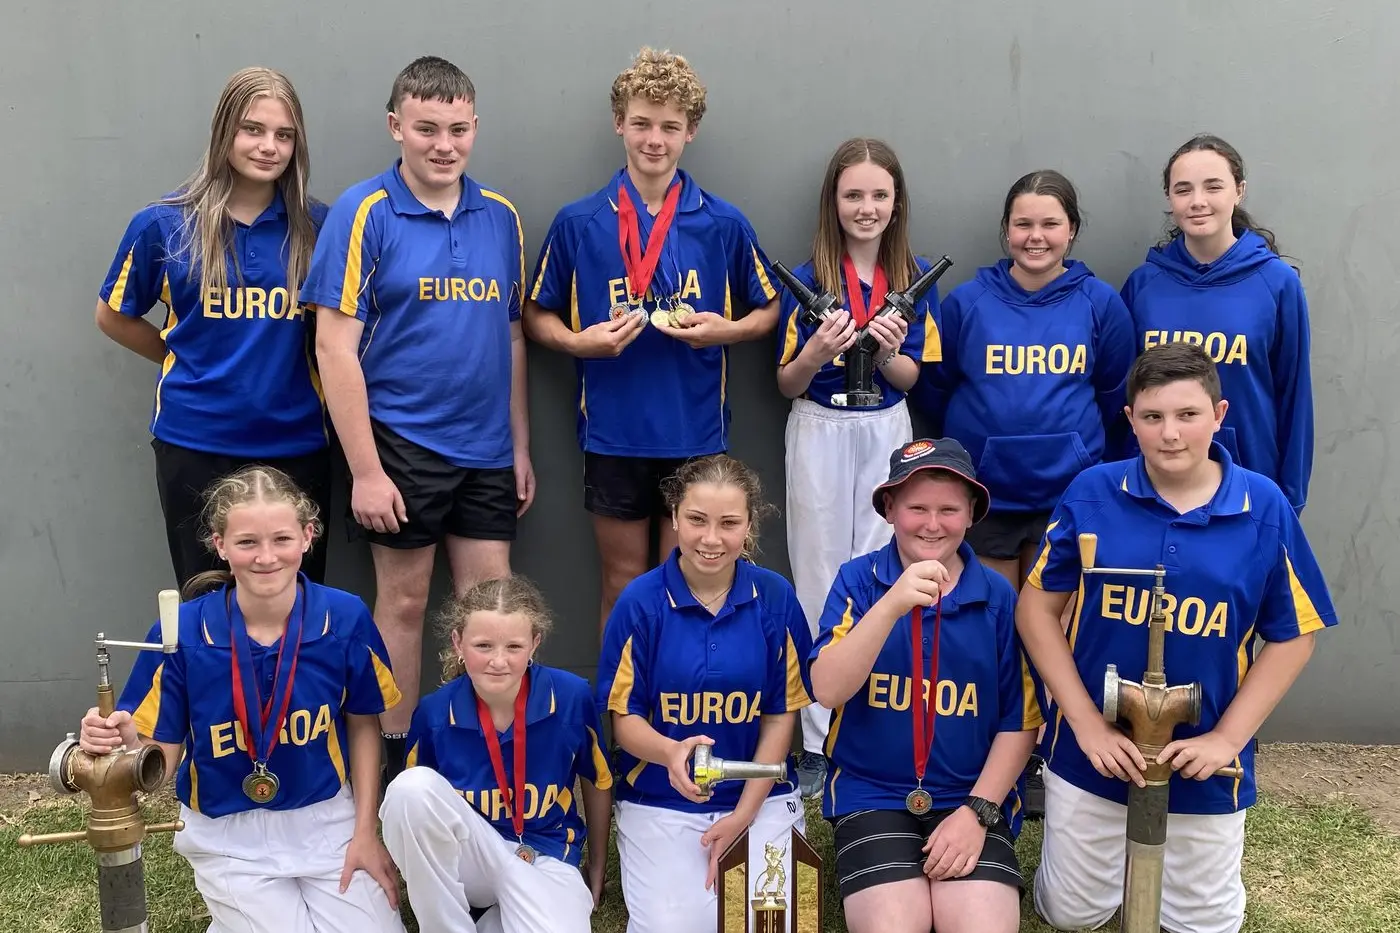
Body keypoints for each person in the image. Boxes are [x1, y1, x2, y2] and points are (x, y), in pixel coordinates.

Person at [1016, 342, 1338, 933]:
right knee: (1071, 915)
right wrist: (1084, 723)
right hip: (1094, 752)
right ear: (1130, 419)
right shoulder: (1092, 492)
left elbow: (1295, 636)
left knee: (1203, 925)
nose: (1169, 433)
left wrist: (1226, 740)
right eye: (1152, 416)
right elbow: (1036, 610)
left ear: (1218, 414)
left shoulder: (1263, 505)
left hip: (1199, 762)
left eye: (1188, 414)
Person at [301, 55, 533, 782]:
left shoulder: (501, 216)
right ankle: (393, 770)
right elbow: (333, 347)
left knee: (489, 611)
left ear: (475, 128)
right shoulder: (364, 211)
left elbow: (513, 336)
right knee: (401, 604)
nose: (443, 144)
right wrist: (366, 471)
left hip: (486, 451)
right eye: (427, 128)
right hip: (400, 444)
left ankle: (479, 757)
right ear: (395, 126)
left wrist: (520, 445)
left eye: (457, 129)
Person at [77, 466, 404, 933]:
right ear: (220, 544)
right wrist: (128, 743)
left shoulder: (345, 617)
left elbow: (363, 724)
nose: (266, 557)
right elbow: (160, 761)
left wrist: (365, 831)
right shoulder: (182, 632)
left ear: (308, 536)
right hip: (228, 832)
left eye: (282, 539)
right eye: (247, 542)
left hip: (326, 817)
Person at [523, 48, 779, 637]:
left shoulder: (722, 223)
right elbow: (535, 313)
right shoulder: (579, 222)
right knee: (622, 583)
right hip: (613, 432)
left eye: (669, 126)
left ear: (691, 131)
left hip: (696, 432)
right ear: (619, 123)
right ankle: (620, 698)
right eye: (641, 123)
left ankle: (676, 693)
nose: (654, 140)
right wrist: (579, 343)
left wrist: (727, 331)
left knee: (685, 583)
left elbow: (769, 310)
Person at [96, 66, 333, 588]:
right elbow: (113, 315)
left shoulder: (320, 228)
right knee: (205, 597)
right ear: (224, 131)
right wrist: (179, 357)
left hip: (295, 442)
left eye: (284, 135)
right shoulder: (163, 225)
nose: (269, 146)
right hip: (195, 441)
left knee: (293, 598)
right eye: (253, 129)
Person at [808, 438, 1042, 933]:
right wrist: (891, 604)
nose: (932, 524)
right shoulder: (858, 581)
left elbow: (1019, 723)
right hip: (873, 793)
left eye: (948, 510)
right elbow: (827, 689)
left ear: (972, 513)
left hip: (968, 794)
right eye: (917, 508)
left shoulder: (998, 597)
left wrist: (977, 812)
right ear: (890, 509)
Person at [775, 137, 943, 799]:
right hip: (819, 426)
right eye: (853, 195)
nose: (866, 207)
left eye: (879, 194)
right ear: (833, 202)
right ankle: (819, 740)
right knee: (818, 576)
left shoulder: (916, 276)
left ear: (897, 202)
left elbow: (913, 379)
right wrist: (817, 352)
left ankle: (874, 730)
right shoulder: (807, 276)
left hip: (885, 428)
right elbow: (786, 382)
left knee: (885, 570)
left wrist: (890, 351)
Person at [594, 454, 812, 933]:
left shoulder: (775, 597)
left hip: (761, 797)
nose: (711, 539)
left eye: (728, 523)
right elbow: (623, 719)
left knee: (769, 925)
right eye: (696, 520)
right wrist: (669, 752)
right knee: (676, 926)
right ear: (674, 516)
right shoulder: (639, 602)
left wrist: (743, 816)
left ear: (749, 526)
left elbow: (780, 716)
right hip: (660, 797)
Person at [909, 169, 1133, 590]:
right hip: (986, 496)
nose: (1036, 236)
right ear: (1006, 229)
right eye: (1023, 224)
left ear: (1072, 230)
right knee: (993, 617)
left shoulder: (1100, 303)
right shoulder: (968, 302)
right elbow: (934, 389)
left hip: (1069, 495)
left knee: (1050, 621)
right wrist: (982, 445)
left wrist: (1075, 450)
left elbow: (1114, 394)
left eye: (1050, 224)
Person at [380, 576, 612, 933]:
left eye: (514, 646)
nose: (498, 661)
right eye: (483, 646)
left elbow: (597, 780)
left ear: (535, 644)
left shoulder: (570, 696)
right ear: (458, 642)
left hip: (546, 855)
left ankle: (496, 919)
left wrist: (596, 864)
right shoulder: (435, 713)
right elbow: (414, 816)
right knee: (409, 789)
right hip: (471, 858)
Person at [1120, 133, 1314, 513]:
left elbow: (1294, 397)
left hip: (1248, 484)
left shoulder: (1276, 283)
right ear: (1169, 198)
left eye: (1213, 186)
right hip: (1155, 485)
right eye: (1183, 189)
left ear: (1239, 191)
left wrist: (1289, 499)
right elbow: (1125, 396)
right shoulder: (1144, 284)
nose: (1198, 201)